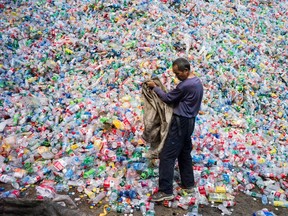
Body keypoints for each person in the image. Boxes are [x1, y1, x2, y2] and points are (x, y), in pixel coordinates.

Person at [146, 57, 203, 202]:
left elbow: (167, 98)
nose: (176, 76)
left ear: (186, 70)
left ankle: (165, 191)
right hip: (190, 121)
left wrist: (155, 87)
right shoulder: (197, 82)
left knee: (167, 155)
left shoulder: (185, 86)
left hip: (180, 122)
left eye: (178, 73)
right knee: (184, 153)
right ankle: (188, 184)